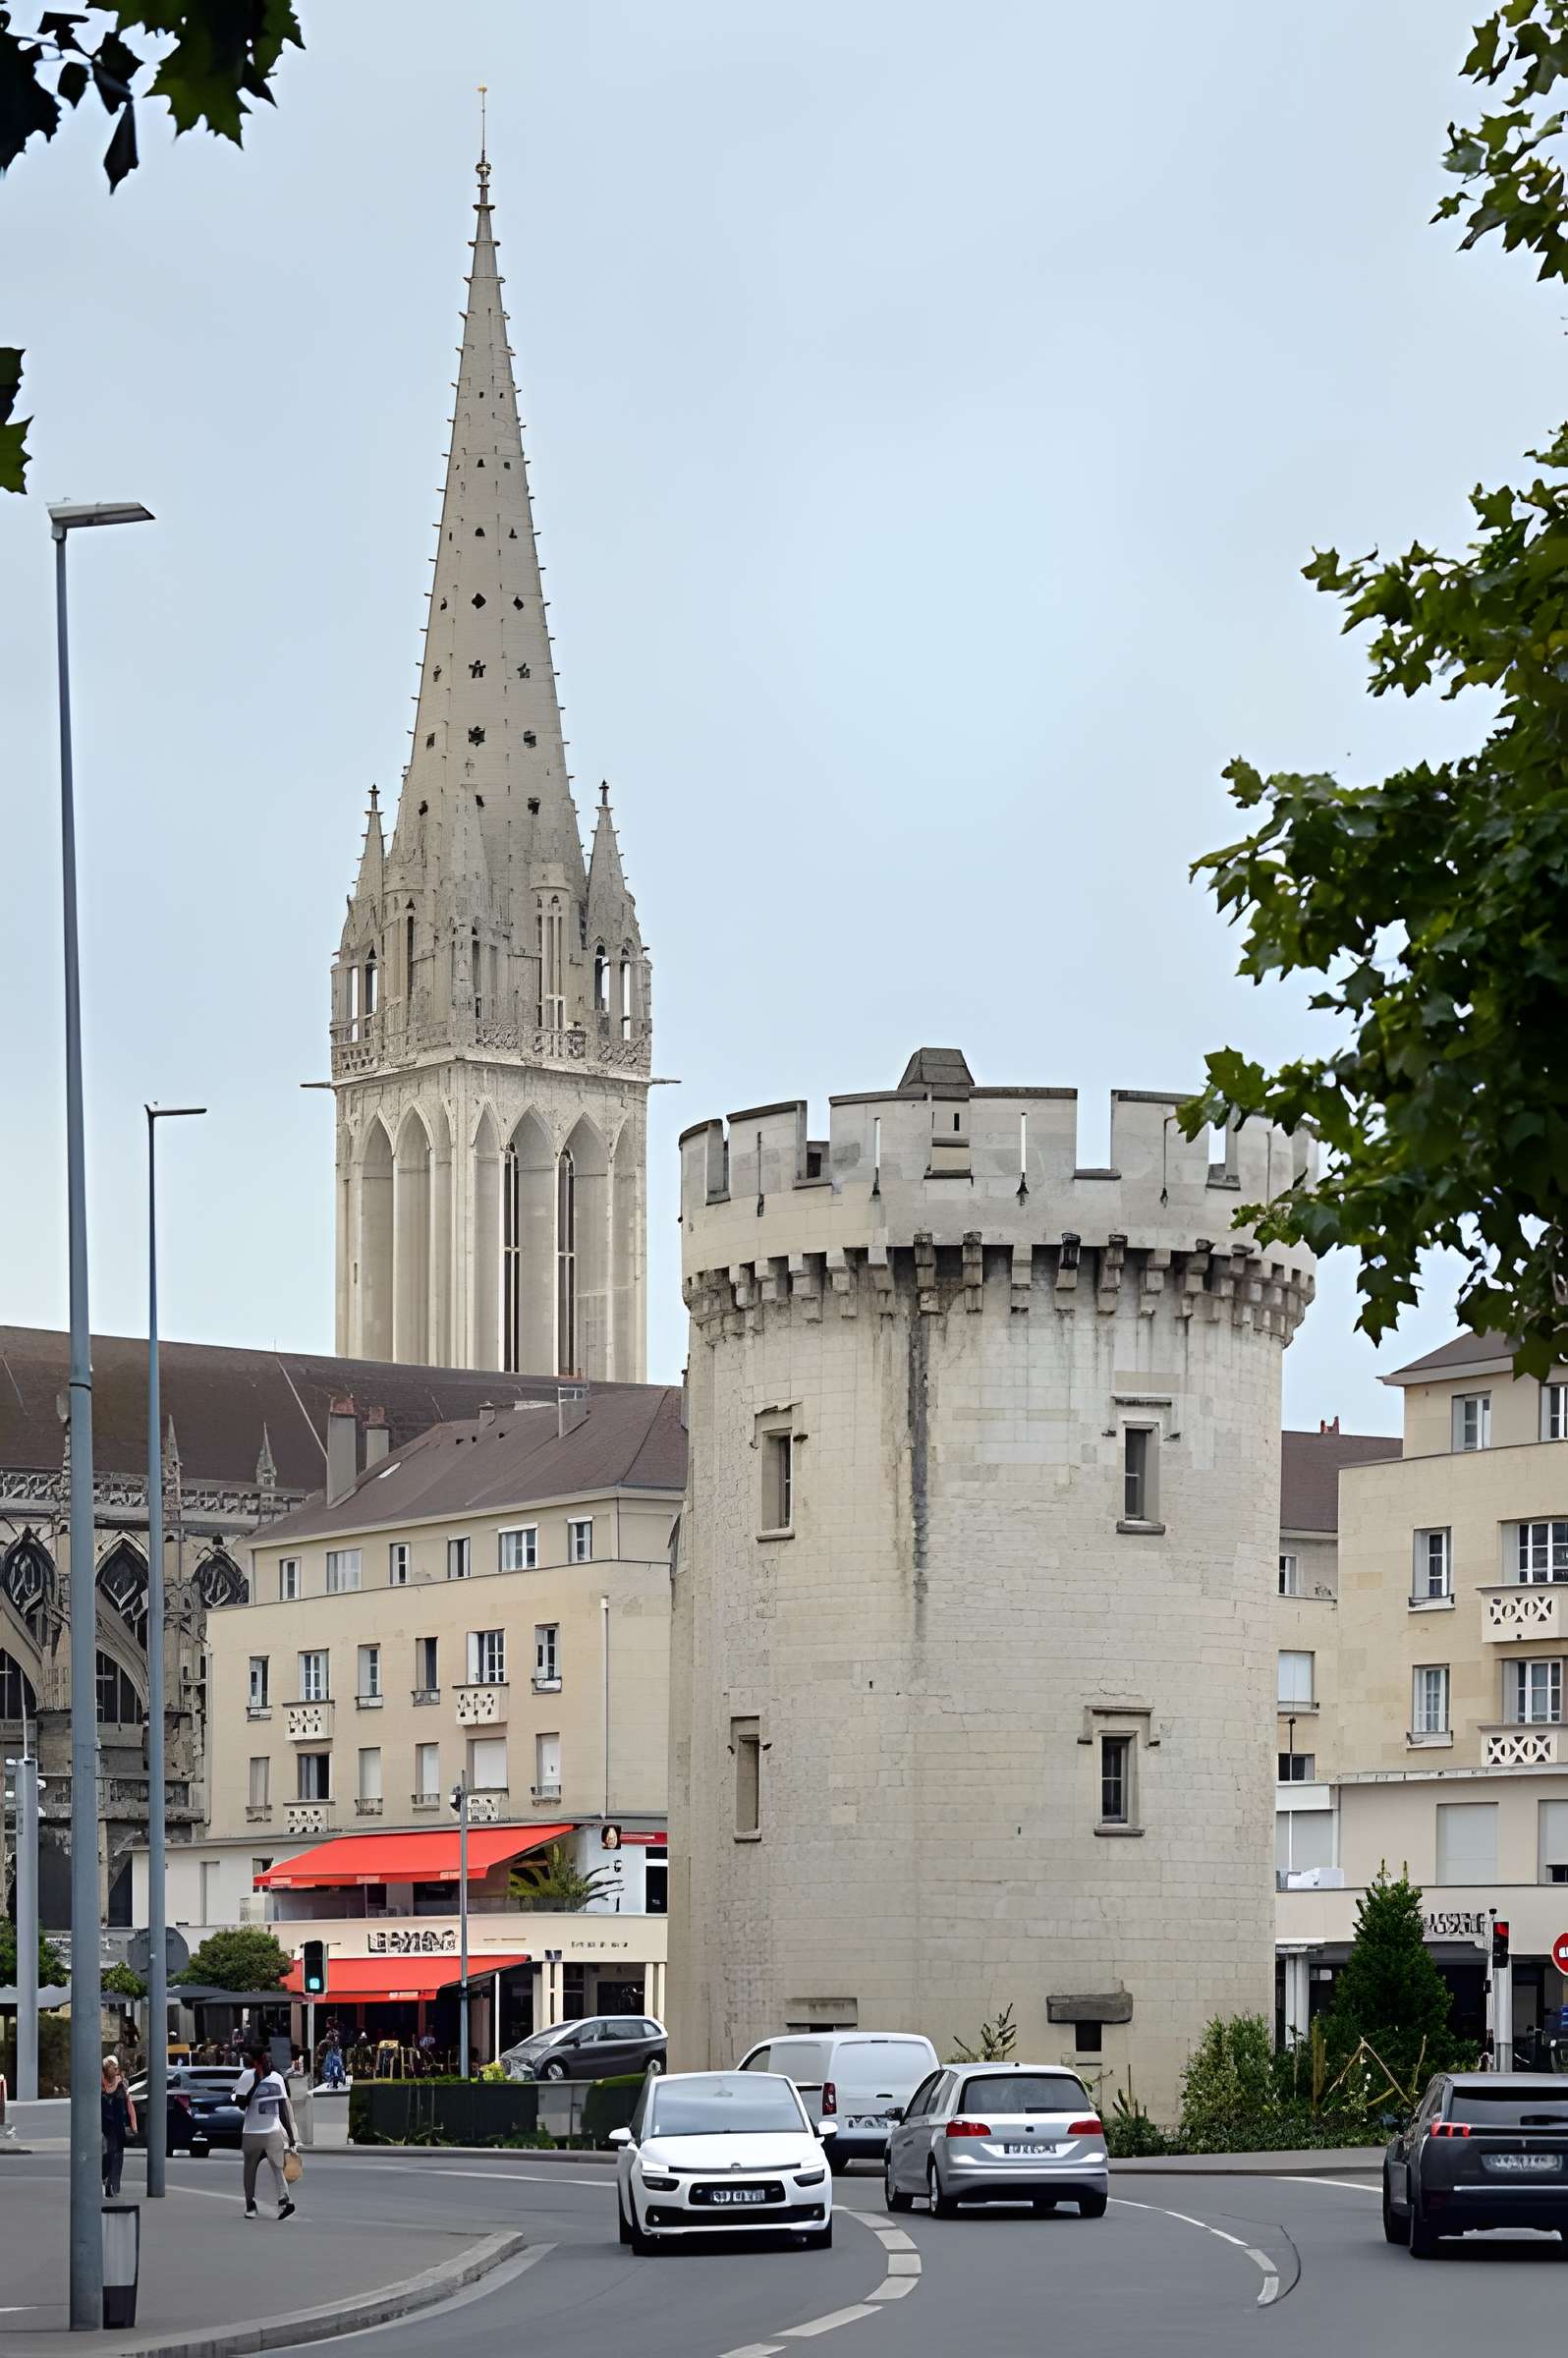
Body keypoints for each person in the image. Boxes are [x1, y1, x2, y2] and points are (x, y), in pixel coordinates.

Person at [233, 2045, 299, 2221]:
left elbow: (283, 2109)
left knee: (277, 2165)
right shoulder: (247, 2076)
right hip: (252, 2131)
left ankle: (284, 2200)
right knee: (251, 2169)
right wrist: (255, 2083)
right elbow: (241, 2103)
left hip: (271, 2130)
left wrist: (291, 2135)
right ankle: (251, 2204)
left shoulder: (277, 2078)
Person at [100, 2056, 136, 2198]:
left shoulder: (122, 2084)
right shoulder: (99, 2084)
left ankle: (113, 2185)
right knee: (107, 2153)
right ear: (105, 2069)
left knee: (116, 2153)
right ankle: (104, 2178)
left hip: (118, 2125)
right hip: (103, 2125)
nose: (115, 2069)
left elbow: (129, 2105)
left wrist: (132, 2124)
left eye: (115, 2067)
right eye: (111, 2067)